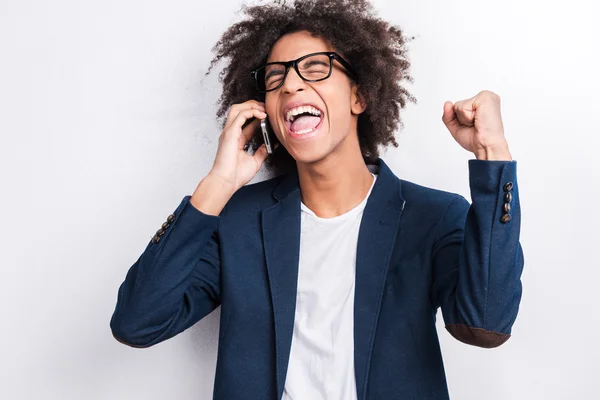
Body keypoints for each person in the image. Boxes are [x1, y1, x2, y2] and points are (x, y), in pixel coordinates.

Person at [110, 0, 524, 399]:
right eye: (275, 79)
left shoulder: (432, 216)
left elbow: (485, 324)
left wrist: (492, 154)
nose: (290, 84)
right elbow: (138, 322)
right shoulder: (239, 220)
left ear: (359, 97)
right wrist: (218, 184)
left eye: (314, 68)